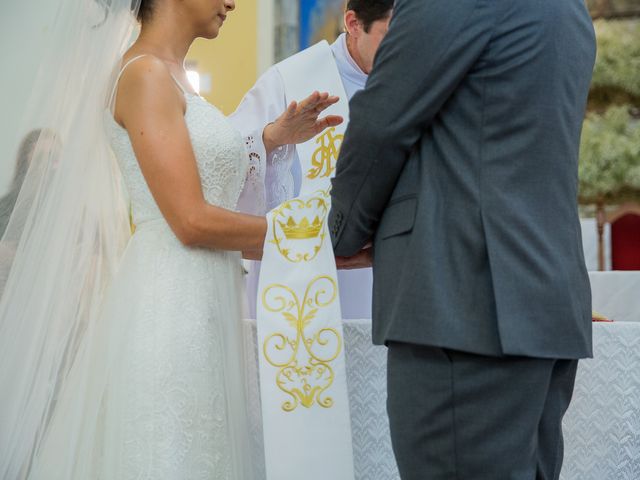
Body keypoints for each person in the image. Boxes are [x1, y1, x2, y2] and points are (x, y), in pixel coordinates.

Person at [0, 0, 337, 478]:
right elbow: (190, 220)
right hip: (171, 309)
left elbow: (206, 178)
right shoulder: (144, 75)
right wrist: (306, 240)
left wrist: (270, 138)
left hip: (205, 301)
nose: (232, 3)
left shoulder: (174, 76)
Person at [329, 0, 596, 478]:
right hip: (540, 299)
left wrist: (342, 235)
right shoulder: (569, 9)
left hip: (464, 302)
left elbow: (383, 120)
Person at [231, 0, 393, 319]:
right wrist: (272, 138)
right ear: (353, 23)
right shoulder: (288, 81)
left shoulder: (417, 83)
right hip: (299, 282)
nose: (403, 48)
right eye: (391, 34)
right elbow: (228, 162)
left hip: (388, 277)